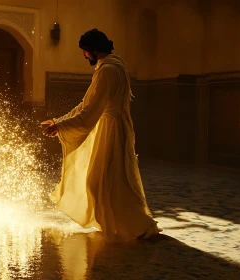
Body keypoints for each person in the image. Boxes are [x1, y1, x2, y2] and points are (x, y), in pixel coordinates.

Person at [42, 28, 161, 241]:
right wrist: (60, 121)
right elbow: (87, 104)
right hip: (115, 126)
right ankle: (123, 225)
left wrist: (61, 126)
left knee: (105, 182)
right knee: (110, 181)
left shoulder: (108, 70)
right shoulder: (116, 65)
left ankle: (137, 226)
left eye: (85, 51)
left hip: (111, 129)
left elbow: (91, 109)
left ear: (94, 50)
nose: (84, 55)